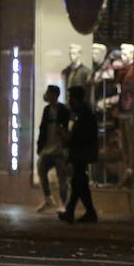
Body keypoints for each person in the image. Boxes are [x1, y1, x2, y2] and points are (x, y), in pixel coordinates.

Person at [58, 85, 99, 224]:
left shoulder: (85, 115)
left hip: (82, 154)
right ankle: (87, 212)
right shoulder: (81, 114)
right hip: (80, 153)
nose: (69, 101)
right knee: (79, 184)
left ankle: (75, 211)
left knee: (78, 182)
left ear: (77, 99)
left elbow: (81, 137)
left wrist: (68, 138)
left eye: (71, 98)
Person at [35, 84, 71, 212]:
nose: (47, 95)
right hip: (48, 149)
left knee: (62, 177)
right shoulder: (46, 110)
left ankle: (63, 203)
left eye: (49, 93)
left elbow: (66, 130)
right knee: (41, 168)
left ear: (54, 95)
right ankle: (48, 198)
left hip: (60, 150)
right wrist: (40, 146)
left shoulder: (63, 110)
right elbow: (42, 128)